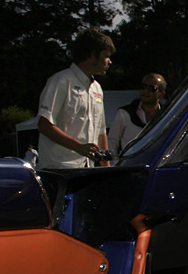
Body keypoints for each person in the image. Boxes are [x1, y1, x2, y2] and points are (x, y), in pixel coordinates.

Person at [36, 28, 114, 169]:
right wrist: (79, 147)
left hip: (86, 168)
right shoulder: (60, 81)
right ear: (92, 55)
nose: (110, 62)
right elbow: (44, 124)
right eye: (106, 56)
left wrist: (106, 169)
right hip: (58, 169)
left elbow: (101, 132)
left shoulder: (97, 88)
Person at [107, 73, 167, 158]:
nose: (146, 91)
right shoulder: (124, 113)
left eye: (152, 88)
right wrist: (115, 164)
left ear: (162, 94)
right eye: (143, 86)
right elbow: (112, 141)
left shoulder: (166, 115)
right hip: (129, 166)